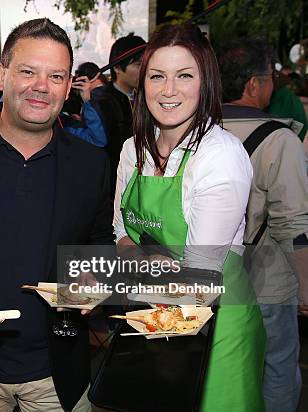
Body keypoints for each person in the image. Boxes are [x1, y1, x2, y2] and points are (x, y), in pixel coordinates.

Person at [0, 18, 114, 412]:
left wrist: (96, 276)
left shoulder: (90, 163)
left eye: (56, 75)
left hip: (58, 372)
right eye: (28, 71)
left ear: (69, 86)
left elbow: (98, 241)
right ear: (2, 75)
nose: (42, 86)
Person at [113, 23, 266, 410]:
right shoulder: (133, 151)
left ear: (206, 82)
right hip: (153, 321)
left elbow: (198, 279)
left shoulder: (220, 156)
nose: (168, 91)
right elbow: (120, 233)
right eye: (157, 76)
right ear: (141, 83)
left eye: (184, 75)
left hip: (218, 330)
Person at [219, 38, 308, 412]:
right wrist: (306, 288)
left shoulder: (197, 129)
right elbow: (293, 223)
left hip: (210, 276)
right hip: (266, 278)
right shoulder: (280, 139)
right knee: (277, 367)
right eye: (270, 77)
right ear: (254, 84)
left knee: (221, 370)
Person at [93, 33, 146, 185]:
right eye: (137, 65)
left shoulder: (145, 97)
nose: (143, 70)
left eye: (145, 64)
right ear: (117, 67)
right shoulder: (102, 102)